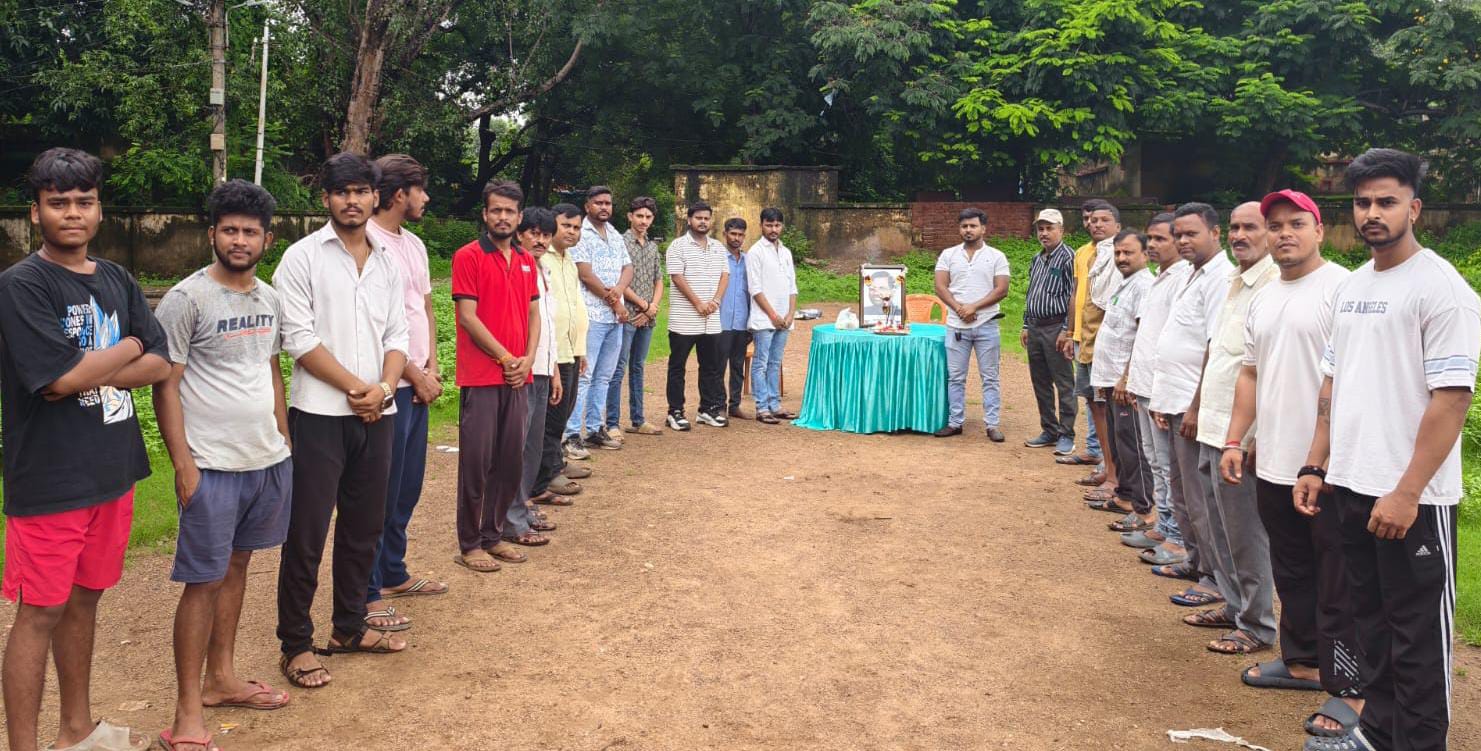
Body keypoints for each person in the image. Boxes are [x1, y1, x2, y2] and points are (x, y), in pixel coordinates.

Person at [1294, 149, 1478, 751]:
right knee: (1370, 626)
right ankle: (1376, 733)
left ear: (1414, 208)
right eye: (1363, 202)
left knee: (1418, 639)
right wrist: (1316, 463)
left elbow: (1452, 399)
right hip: (1351, 485)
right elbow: (1332, 381)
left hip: (1411, 500)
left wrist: (1407, 492)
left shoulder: (1440, 288)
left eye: (1387, 201)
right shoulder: (1353, 286)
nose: (1372, 213)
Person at [1, 147, 169, 751]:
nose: (72, 213)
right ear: (36, 212)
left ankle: (77, 729)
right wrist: (127, 347)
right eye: (58, 203)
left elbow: (162, 360)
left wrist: (99, 365)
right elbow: (59, 380)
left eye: (84, 202)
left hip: (111, 469)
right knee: (39, 612)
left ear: (99, 210)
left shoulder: (117, 278)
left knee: (85, 600)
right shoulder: (22, 285)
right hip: (50, 480)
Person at [153, 179, 295, 749]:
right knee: (203, 582)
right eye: (230, 230)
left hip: (264, 459)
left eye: (250, 232)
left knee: (237, 568)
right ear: (212, 234)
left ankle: (222, 679)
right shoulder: (186, 299)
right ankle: (187, 712)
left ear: (267, 239)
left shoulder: (269, 299)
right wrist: (183, 464)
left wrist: (283, 438)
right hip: (210, 465)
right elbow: (166, 385)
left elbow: (271, 371)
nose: (240, 240)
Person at [1217, 190, 1361, 739]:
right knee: (1293, 568)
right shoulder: (1265, 296)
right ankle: (1303, 661)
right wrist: (1237, 438)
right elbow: (1251, 373)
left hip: (1327, 467)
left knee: (1338, 576)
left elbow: (1351, 379)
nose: (1284, 234)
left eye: (1296, 223)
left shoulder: (1343, 289)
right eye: (1275, 225)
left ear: (1319, 230)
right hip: (1274, 460)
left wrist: (1321, 460)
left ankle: (1350, 684)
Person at [273, 153, 410, 687]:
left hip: (379, 414)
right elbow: (299, 338)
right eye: (341, 192)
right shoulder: (302, 258)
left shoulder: (387, 261)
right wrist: (359, 388)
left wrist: (384, 389)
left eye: (360, 191)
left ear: (376, 196)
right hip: (319, 415)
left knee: (363, 526)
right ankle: (295, 643)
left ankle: (349, 627)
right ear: (326, 198)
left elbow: (397, 334)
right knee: (306, 531)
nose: (351, 201)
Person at [1185, 201, 1279, 656]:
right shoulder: (1234, 283)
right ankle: (1234, 605)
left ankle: (1257, 624)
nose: (1241, 236)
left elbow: (1266, 370)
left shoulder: (1274, 285)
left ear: (1270, 233)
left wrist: (1251, 435)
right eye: (1236, 227)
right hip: (1214, 423)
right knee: (1219, 527)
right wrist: (1198, 409)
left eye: (1251, 228)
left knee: (1245, 532)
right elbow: (1219, 353)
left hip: (1239, 434)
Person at [364, 154, 448, 634]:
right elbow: (377, 324)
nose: (426, 198)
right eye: (421, 190)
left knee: (408, 486)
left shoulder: (413, 244)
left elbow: (425, 308)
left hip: (419, 384)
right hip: (389, 386)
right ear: (400, 194)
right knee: (379, 489)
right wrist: (415, 375)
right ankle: (369, 585)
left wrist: (433, 365)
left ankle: (394, 571)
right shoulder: (368, 243)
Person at [451, 179, 542, 573]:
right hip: (482, 376)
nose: (502, 217)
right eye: (496, 210)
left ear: (519, 217)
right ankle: (470, 543)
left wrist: (528, 359)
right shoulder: (468, 256)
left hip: (519, 377)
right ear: (485, 214)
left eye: (509, 211)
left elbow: (534, 314)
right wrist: (506, 357)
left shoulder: (526, 260)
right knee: (476, 462)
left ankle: (493, 534)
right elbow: (467, 317)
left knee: (509, 462)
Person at [1147, 202, 1234, 613]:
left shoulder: (1219, 279)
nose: (1183, 241)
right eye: (1178, 234)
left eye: (1191, 234)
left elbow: (1215, 346)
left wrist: (1196, 406)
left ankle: (1213, 578)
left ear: (1215, 233)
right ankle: (1196, 560)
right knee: (1182, 492)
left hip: (1192, 405)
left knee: (1200, 500)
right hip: (1174, 399)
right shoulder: (1190, 274)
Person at [1120, 214, 1192, 568]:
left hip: (1163, 389)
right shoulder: (1159, 280)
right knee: (1154, 461)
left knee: (1167, 467)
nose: (1153, 245)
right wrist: (1133, 378)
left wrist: (1158, 390)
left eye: (1161, 238)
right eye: (1150, 238)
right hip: (1145, 383)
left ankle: (1176, 537)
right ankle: (1163, 527)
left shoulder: (1182, 280)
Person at [1087, 230, 1154, 533]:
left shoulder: (1144, 286)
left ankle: (1143, 507)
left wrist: (1126, 378)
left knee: (1132, 446)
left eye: (1128, 252)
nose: (1121, 258)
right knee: (1119, 441)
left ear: (1145, 254)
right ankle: (1125, 495)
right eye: (1117, 253)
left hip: (1125, 383)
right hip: (1111, 380)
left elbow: (1142, 336)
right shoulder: (1124, 284)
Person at [503, 207, 559, 549]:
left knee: (532, 448)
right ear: (519, 234)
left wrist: (554, 371)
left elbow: (547, 326)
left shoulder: (543, 269)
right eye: (533, 233)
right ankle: (510, 517)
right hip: (522, 370)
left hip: (542, 369)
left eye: (546, 234)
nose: (540, 240)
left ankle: (522, 507)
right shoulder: (515, 267)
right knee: (516, 448)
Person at [933, 207, 1011, 440]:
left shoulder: (996, 256)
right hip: (956, 325)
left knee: (990, 377)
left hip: (987, 324)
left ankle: (992, 425)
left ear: (983, 229)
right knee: (955, 377)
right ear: (959, 229)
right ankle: (955, 422)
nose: (968, 230)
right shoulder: (948, 255)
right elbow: (940, 287)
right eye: (964, 226)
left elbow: (1002, 289)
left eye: (973, 226)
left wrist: (973, 307)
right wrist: (960, 308)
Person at [531, 203, 589, 506]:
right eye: (566, 225)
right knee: (551, 417)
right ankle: (548, 474)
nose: (572, 232)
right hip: (552, 352)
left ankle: (556, 463)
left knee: (563, 412)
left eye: (577, 227)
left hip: (571, 349)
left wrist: (581, 350)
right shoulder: (542, 259)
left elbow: (574, 305)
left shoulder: (569, 261)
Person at [565, 186, 632, 451]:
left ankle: (595, 428)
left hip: (614, 318)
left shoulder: (614, 233)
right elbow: (585, 274)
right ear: (587, 206)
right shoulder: (580, 233)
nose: (604, 207)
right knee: (584, 376)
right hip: (591, 314)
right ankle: (571, 433)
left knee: (604, 376)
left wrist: (619, 291)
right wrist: (615, 301)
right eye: (598, 203)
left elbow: (628, 267)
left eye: (608, 203)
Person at [1064, 200, 1124, 497]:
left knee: (1110, 411)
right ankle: (1108, 470)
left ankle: (1116, 477)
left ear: (1118, 226)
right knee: (1095, 406)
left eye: (1104, 220)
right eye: (1092, 220)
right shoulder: (1089, 255)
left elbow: (1110, 307)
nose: (1096, 224)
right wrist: (1071, 333)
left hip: (1108, 349)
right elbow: (1081, 298)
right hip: (1087, 343)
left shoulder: (1117, 256)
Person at [664, 201, 730, 431]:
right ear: (689, 219)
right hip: (684, 320)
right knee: (678, 367)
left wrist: (716, 301)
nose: (703, 222)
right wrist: (698, 303)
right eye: (698, 218)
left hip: (711, 319)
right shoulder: (678, 246)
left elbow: (725, 275)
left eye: (706, 218)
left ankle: (707, 409)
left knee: (711, 366)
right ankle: (675, 412)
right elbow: (677, 277)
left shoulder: (718, 247)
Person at [1022, 208, 1077, 454]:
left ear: (1061, 230)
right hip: (1035, 327)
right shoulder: (1037, 258)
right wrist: (1026, 325)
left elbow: (1074, 296)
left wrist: (1067, 330)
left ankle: (1067, 433)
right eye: (1040, 229)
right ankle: (1049, 430)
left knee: (1064, 383)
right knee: (1040, 381)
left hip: (1056, 328)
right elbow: (1031, 293)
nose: (1044, 233)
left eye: (1049, 228)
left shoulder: (1069, 258)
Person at [608, 196, 665, 435]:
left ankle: (638, 419)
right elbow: (619, 280)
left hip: (647, 316)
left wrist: (652, 307)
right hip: (626, 315)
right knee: (618, 368)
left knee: (638, 367)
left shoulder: (652, 247)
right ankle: (611, 423)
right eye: (639, 216)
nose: (643, 221)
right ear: (630, 216)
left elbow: (659, 280)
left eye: (648, 217)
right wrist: (643, 305)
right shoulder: (619, 243)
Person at [747, 208, 798, 424]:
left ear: (782, 226)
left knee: (775, 363)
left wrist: (790, 314)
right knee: (761, 363)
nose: (773, 229)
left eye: (777, 225)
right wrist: (773, 315)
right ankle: (762, 407)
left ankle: (775, 405)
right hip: (763, 318)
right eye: (769, 225)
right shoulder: (755, 252)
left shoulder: (785, 252)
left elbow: (792, 287)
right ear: (761, 225)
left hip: (784, 319)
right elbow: (755, 289)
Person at [717, 218, 752, 419]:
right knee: (718, 365)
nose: (736, 238)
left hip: (742, 321)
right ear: (725, 234)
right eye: (733, 234)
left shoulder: (748, 261)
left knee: (738, 366)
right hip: (721, 321)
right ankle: (719, 405)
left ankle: (735, 405)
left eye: (740, 235)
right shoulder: (718, 258)